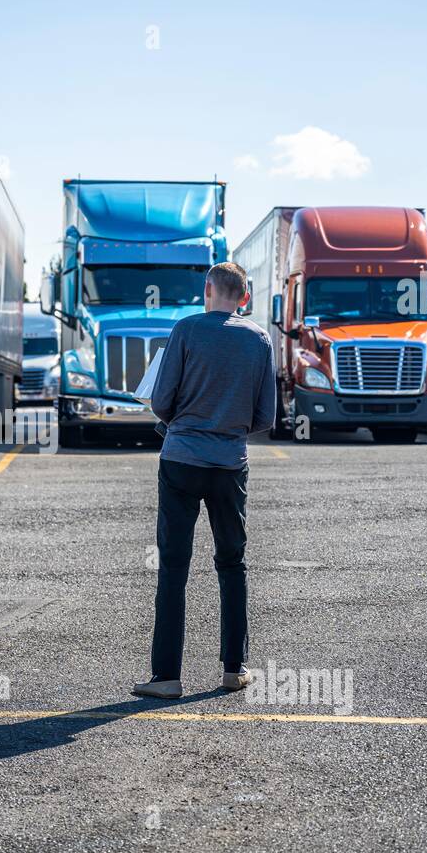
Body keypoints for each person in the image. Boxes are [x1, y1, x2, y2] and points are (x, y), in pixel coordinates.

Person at [132, 261, 276, 699]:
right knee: (232, 563)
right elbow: (265, 416)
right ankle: (234, 668)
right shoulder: (259, 339)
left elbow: (161, 401)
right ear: (245, 297)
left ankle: (167, 677)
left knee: (174, 566)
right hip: (230, 464)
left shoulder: (187, 330)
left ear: (208, 290)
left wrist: (183, 419)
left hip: (181, 460)